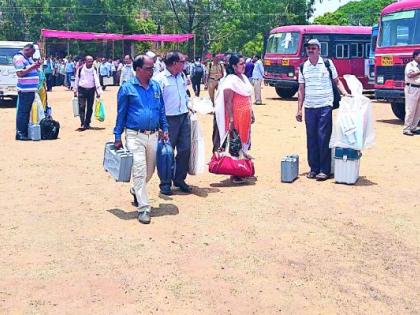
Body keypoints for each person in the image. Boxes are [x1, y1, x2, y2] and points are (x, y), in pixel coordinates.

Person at [113, 55, 168, 224]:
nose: (152, 71)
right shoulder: (127, 88)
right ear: (138, 69)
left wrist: (164, 128)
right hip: (134, 135)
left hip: (153, 135)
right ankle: (144, 208)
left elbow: (161, 110)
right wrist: (117, 136)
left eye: (153, 68)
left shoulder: (156, 87)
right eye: (148, 68)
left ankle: (136, 189)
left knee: (150, 171)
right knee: (139, 168)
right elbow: (121, 113)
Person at [296, 39, 349, 181]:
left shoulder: (327, 64)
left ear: (319, 50)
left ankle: (324, 170)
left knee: (323, 137)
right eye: (308, 48)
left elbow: (337, 81)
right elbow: (301, 89)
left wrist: (345, 93)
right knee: (311, 138)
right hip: (309, 107)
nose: (310, 50)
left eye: (313, 48)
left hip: (325, 105)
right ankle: (313, 169)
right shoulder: (302, 67)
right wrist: (299, 109)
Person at [214, 54, 255, 184]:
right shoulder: (230, 80)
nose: (244, 66)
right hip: (235, 117)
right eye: (241, 64)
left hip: (245, 117)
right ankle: (235, 173)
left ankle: (241, 169)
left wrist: (251, 112)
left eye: (244, 63)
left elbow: (248, 96)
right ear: (233, 66)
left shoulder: (243, 78)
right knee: (235, 143)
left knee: (243, 141)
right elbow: (228, 101)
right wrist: (231, 119)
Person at [155, 51, 192, 195]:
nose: (185, 64)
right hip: (168, 120)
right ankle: (165, 183)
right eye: (182, 61)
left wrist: (189, 105)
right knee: (166, 152)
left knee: (185, 149)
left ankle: (179, 179)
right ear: (174, 63)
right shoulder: (160, 79)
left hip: (183, 116)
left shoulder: (181, 76)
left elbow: (184, 94)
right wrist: (159, 124)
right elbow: (157, 103)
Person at [13, 43, 41, 140]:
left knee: (27, 112)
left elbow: (30, 69)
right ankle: (20, 133)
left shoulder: (27, 58)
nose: (32, 55)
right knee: (23, 112)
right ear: (27, 50)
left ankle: (24, 132)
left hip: (30, 90)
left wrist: (36, 66)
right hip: (24, 90)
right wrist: (33, 67)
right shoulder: (19, 58)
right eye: (31, 53)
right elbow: (20, 73)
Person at [74, 56, 102, 130]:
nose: (91, 63)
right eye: (89, 61)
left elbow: (96, 80)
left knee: (90, 108)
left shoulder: (94, 69)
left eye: (92, 61)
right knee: (81, 106)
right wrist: (75, 90)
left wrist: (98, 92)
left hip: (91, 90)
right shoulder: (80, 69)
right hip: (81, 90)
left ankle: (87, 123)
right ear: (85, 61)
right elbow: (77, 79)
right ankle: (83, 123)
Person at [403, 49, 420, 136]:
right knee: (411, 109)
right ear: (415, 56)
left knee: (418, 110)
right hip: (412, 88)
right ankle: (406, 129)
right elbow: (409, 75)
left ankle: (413, 127)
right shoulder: (410, 65)